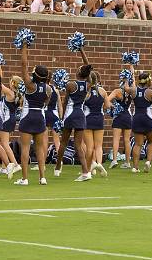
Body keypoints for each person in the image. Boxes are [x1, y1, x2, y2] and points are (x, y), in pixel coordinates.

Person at [14, 42, 53, 185]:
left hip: (28, 117)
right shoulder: (49, 89)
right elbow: (46, 103)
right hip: (40, 118)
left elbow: (23, 65)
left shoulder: (30, 86)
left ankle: (24, 179)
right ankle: (42, 177)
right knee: (40, 149)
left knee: (25, 148)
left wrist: (24, 46)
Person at [55, 50, 93, 181]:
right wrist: (82, 50)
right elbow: (88, 68)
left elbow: (65, 102)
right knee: (78, 144)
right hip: (81, 115)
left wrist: (61, 118)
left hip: (70, 115)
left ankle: (58, 166)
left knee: (63, 142)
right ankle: (85, 172)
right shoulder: (88, 85)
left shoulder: (71, 85)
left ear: (78, 73)